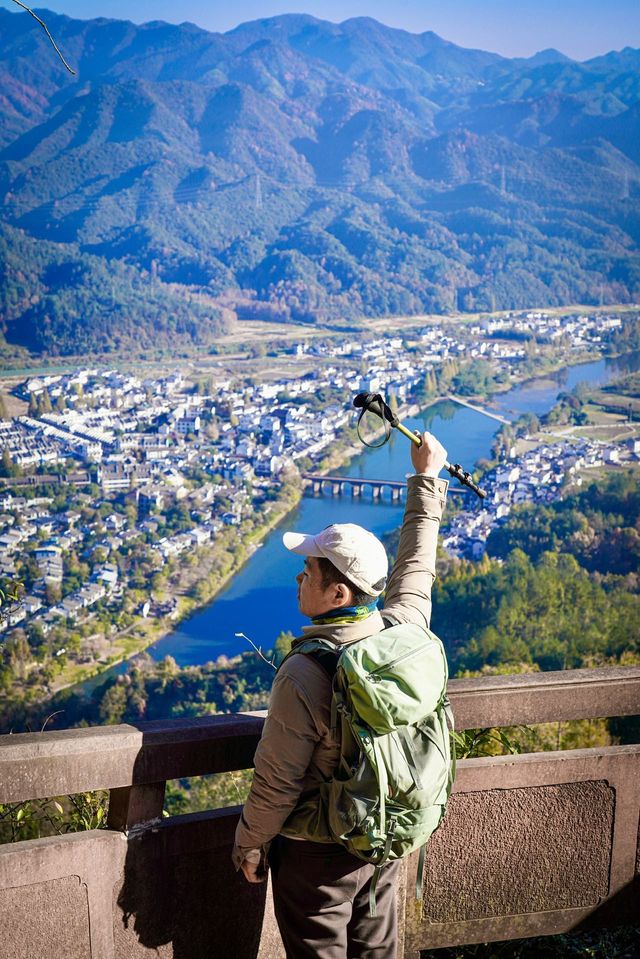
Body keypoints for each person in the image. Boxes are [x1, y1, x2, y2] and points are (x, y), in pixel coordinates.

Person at [233, 430, 449, 959]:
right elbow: (417, 568)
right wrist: (427, 479)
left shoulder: (305, 673)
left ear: (338, 593)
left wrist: (249, 843)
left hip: (318, 857)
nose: (299, 580)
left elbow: (277, 779)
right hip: (384, 838)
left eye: (308, 571)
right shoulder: (401, 632)